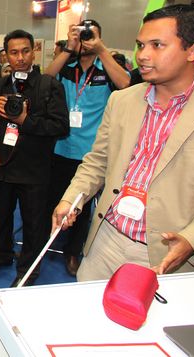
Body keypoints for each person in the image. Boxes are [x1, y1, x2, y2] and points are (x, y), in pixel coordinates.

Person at [52, 4, 194, 281]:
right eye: (141, 45)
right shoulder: (122, 100)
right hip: (105, 240)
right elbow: (98, 161)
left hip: (173, 256)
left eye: (157, 45)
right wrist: (72, 198)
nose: (143, 55)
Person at [0, 30, 69, 287]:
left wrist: (25, 120)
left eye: (25, 51)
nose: (20, 58)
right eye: (14, 52)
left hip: (34, 169)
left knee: (33, 223)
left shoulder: (49, 85)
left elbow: (60, 126)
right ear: (6, 55)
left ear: (33, 52)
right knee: (1, 217)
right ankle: (2, 254)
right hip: (2, 165)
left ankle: (28, 270)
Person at [44, 19, 130, 276]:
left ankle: (73, 251)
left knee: (81, 208)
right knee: (53, 199)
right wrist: (69, 48)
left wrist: (101, 50)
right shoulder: (67, 66)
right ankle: (48, 240)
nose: (86, 40)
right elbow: (45, 79)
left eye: (91, 35)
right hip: (60, 147)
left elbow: (126, 84)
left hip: (91, 154)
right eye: (82, 35)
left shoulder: (107, 68)